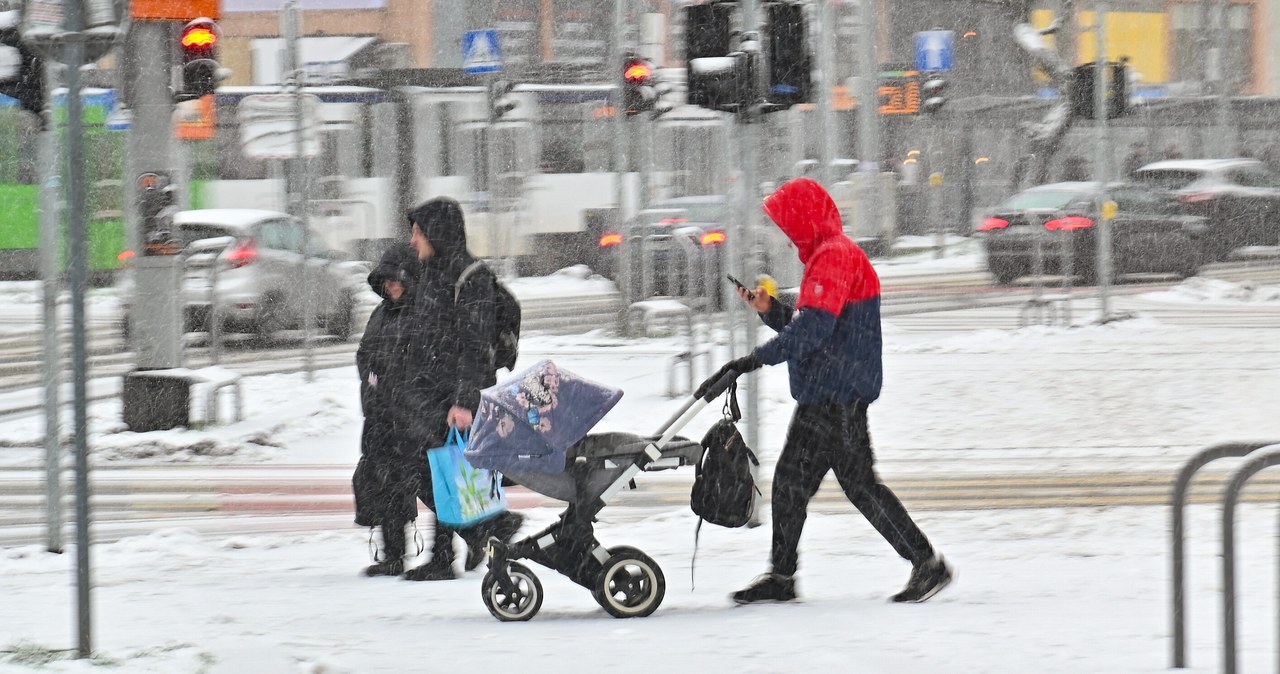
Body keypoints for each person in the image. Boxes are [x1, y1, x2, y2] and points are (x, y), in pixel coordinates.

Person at [698, 177, 953, 605]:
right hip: (825, 394)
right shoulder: (826, 256)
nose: (786, 231)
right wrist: (772, 311)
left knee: (858, 487)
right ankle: (782, 576)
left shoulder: (833, 256)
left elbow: (814, 330)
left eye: (788, 222)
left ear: (805, 219)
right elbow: (816, 328)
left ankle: (926, 564)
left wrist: (752, 360)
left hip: (838, 397)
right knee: (791, 485)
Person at [395, 196, 523, 582]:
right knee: (437, 475)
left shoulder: (471, 278)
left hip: (454, 396)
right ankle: (480, 532)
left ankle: (479, 534)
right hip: (429, 393)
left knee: (440, 474)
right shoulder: (432, 274)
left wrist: (464, 401)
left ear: (437, 233)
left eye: (419, 233)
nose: (414, 241)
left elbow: (475, 345)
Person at [353, 243, 422, 576]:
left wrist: (399, 387)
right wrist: (372, 384)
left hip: (414, 418)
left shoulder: (422, 312)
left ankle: (479, 535)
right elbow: (365, 355)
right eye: (388, 281)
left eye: (399, 280)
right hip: (381, 416)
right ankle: (393, 555)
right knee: (383, 483)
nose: (393, 286)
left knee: (429, 486)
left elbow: (422, 364)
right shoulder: (380, 314)